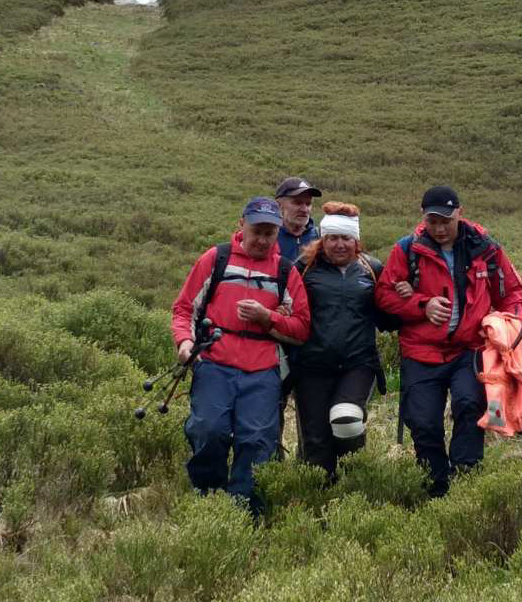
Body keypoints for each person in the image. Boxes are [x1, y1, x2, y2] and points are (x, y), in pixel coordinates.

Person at [376, 185, 522, 497]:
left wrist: (511, 324)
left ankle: (465, 483)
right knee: (423, 422)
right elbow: (384, 296)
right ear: (423, 218)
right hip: (420, 351)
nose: (440, 228)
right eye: (433, 221)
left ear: (460, 212)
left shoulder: (487, 249)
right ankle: (437, 488)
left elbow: (511, 291)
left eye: (446, 220)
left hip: (469, 349)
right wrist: (421, 305)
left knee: (470, 407)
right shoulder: (406, 250)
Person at [171, 196, 311, 514]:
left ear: (278, 233)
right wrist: (184, 343)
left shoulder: (286, 272)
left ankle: (245, 513)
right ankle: (208, 502)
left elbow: (302, 328)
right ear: (241, 225)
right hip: (214, 362)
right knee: (209, 430)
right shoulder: (215, 259)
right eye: (256, 231)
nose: (262, 240)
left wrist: (267, 317)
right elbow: (183, 309)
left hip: (263, 369)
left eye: (269, 233)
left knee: (258, 439)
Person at [291, 202, 400, 480]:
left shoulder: (372, 268)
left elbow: (387, 318)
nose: (339, 245)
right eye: (332, 238)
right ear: (322, 240)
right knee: (316, 441)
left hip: (358, 364)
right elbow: (289, 309)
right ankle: (319, 496)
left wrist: (405, 298)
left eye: (346, 238)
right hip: (311, 366)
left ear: (356, 240)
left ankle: (353, 479)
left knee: (347, 421)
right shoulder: (303, 268)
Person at [275, 176, 322, 261]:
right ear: (279, 205)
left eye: (308, 204)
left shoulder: (320, 238)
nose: (304, 210)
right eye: (297, 203)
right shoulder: (269, 238)